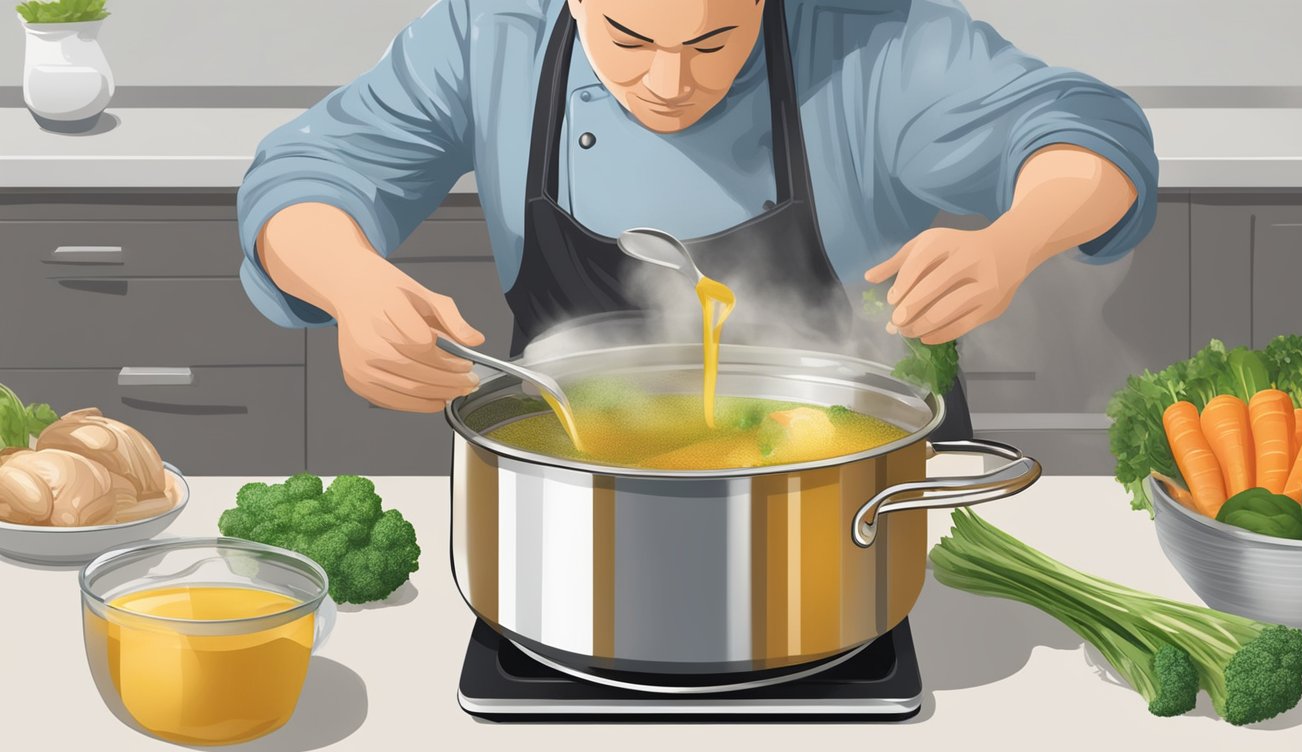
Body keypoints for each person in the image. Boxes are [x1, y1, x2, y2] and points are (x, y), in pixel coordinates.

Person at [237, 0, 1156, 440]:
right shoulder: (491, 36)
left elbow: (1088, 132)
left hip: (864, 495)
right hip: (572, 486)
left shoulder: (873, 43)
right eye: (628, 39)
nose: (669, 84)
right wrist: (353, 286)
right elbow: (311, 169)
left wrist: (1012, 240)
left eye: (713, 42)